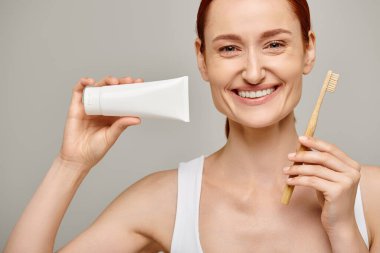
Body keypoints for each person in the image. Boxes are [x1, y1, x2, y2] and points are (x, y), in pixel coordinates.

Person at [4, 0, 380, 252]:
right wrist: (70, 164)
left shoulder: (372, 196)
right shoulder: (162, 200)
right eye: (229, 49)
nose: (252, 72)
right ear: (202, 60)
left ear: (308, 50)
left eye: (275, 45)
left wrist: (345, 229)